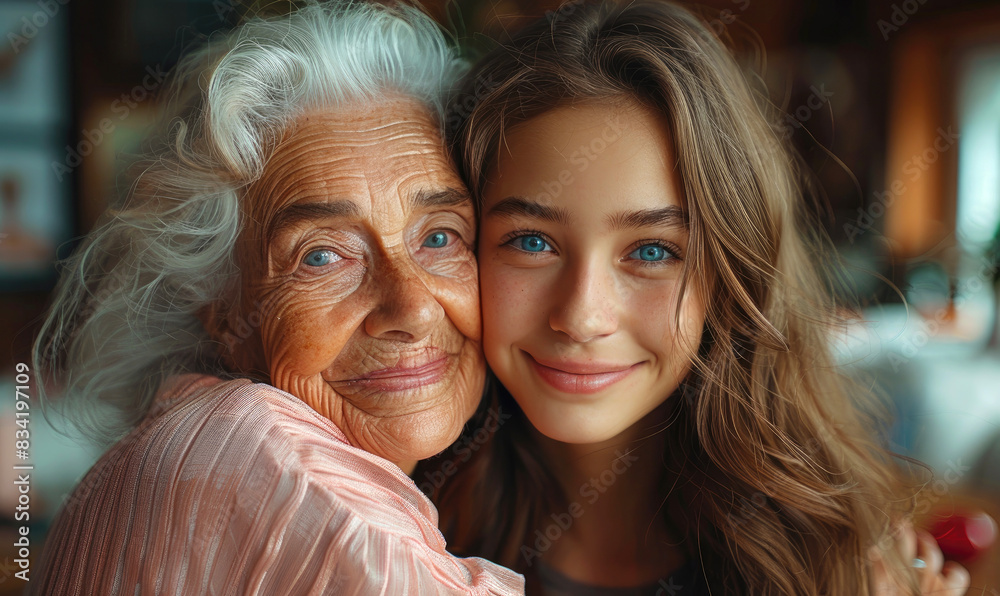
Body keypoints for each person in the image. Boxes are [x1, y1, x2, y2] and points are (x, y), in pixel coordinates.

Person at [425, 0, 970, 594]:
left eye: (654, 250)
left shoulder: (839, 567)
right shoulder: (383, 533)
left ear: (731, 273)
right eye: (531, 242)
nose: (582, 316)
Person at [29, 3, 524, 594]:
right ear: (220, 305)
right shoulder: (281, 469)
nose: (412, 308)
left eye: (439, 237)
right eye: (320, 256)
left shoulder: (199, 434)